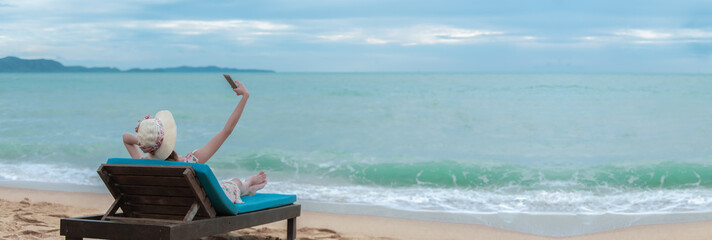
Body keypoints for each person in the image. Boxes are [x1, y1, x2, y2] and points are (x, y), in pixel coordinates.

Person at [121, 79, 264, 204]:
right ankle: (248, 186)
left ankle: (248, 186)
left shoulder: (144, 164)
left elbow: (126, 138)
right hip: (203, 203)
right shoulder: (191, 163)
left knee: (230, 184)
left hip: (172, 204)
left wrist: (143, 142)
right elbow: (226, 131)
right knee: (236, 183)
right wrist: (245, 96)